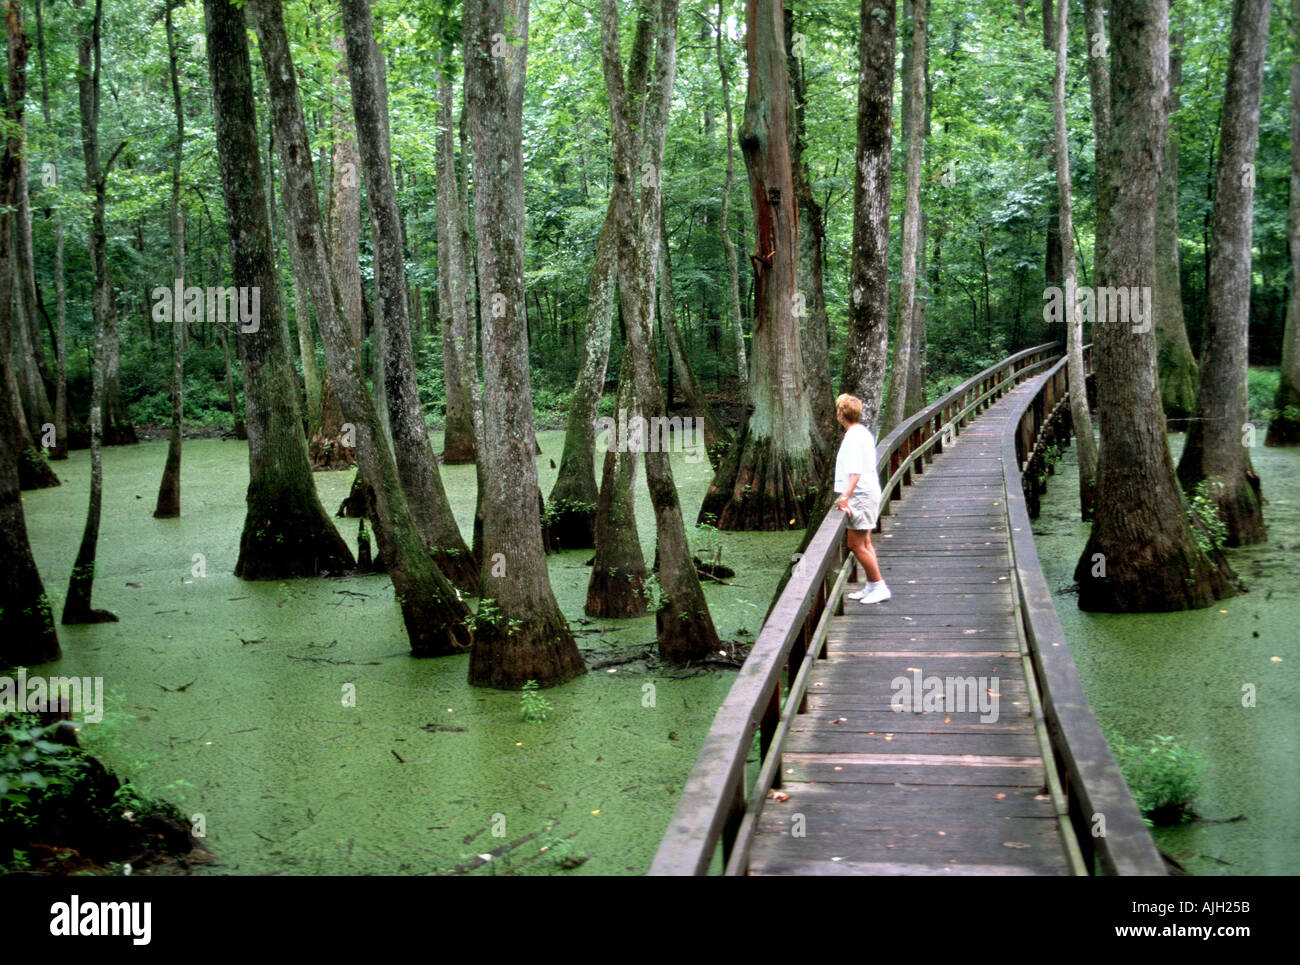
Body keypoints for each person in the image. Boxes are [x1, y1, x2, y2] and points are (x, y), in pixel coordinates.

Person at [833, 394, 890, 604]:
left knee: (855, 545)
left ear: (841, 413)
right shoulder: (861, 432)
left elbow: (855, 472)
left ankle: (879, 586)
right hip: (866, 492)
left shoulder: (853, 437)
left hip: (861, 495)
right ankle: (871, 586)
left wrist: (844, 498)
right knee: (865, 542)